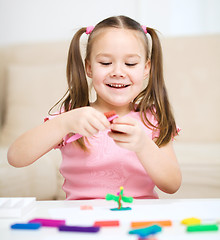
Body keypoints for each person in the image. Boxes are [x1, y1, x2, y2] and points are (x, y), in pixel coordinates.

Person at [7, 15, 181, 200]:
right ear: (89, 67)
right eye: (105, 63)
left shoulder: (152, 118)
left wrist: (143, 145)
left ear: (146, 68)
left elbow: (172, 185)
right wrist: (63, 124)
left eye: (130, 63)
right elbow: (16, 157)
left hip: (137, 222)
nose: (118, 72)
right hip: (82, 220)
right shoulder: (73, 117)